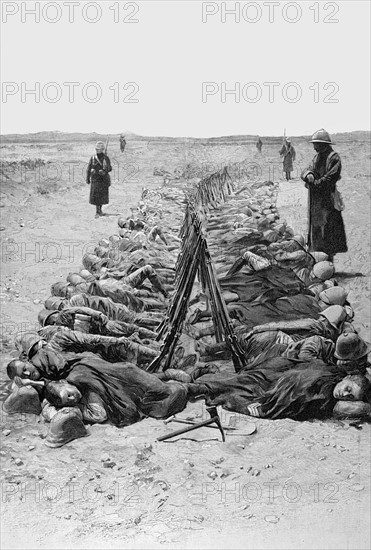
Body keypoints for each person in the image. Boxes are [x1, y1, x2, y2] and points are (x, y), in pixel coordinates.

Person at [301, 129, 347, 260]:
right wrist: (308, 174)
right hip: (316, 200)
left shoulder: (334, 158)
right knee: (316, 229)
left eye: (316, 144)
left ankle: (328, 262)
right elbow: (306, 170)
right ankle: (318, 259)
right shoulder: (317, 157)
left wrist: (315, 183)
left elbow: (330, 178)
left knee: (328, 228)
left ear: (323, 144)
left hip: (328, 199)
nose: (314, 147)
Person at [86, 141, 112, 218]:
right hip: (95, 179)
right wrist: (87, 178)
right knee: (96, 196)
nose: (97, 150)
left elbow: (110, 168)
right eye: (96, 149)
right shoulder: (93, 157)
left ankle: (99, 211)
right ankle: (97, 211)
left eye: (99, 149)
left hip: (103, 179)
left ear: (102, 149)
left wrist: (104, 170)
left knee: (102, 196)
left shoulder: (106, 158)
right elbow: (89, 168)